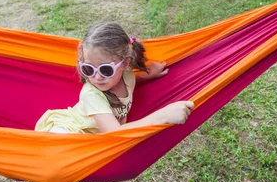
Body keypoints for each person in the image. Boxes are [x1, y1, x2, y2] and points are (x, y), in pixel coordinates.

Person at [35, 23, 194, 134]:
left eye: (105, 69)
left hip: (91, 138)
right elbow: (115, 133)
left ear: (125, 63)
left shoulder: (127, 75)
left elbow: (131, 81)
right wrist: (163, 115)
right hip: (71, 129)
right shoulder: (91, 94)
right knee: (56, 154)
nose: (96, 77)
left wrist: (148, 75)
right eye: (88, 69)